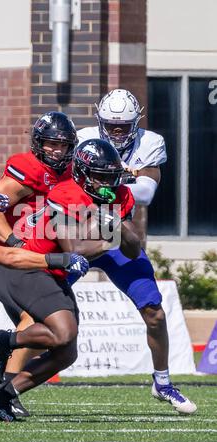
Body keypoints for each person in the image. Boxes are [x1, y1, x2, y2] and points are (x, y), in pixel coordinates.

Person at [0, 138, 140, 422]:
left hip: (55, 275)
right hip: (33, 266)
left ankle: (0, 396)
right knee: (63, 333)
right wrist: (109, 237)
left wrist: (123, 230)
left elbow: (133, 250)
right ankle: (6, 341)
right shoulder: (66, 193)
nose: (107, 183)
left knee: (67, 353)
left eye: (110, 176)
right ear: (81, 173)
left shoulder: (121, 195)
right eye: (99, 176)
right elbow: (74, 250)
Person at [76, 89, 196, 414]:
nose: (116, 132)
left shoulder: (150, 142)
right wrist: (124, 176)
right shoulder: (81, 137)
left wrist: (102, 183)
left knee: (154, 312)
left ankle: (162, 381)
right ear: (99, 122)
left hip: (116, 232)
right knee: (41, 303)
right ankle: (7, 380)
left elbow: (145, 193)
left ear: (136, 121)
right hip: (74, 232)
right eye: (110, 126)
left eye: (123, 126)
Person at [0, 111, 81, 416]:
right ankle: (1, 392)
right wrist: (14, 245)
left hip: (42, 264)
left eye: (63, 145)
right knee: (36, 320)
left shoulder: (70, 173)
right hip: (4, 260)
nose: (57, 151)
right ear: (38, 143)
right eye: (50, 144)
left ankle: (2, 390)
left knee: (64, 345)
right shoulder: (27, 168)